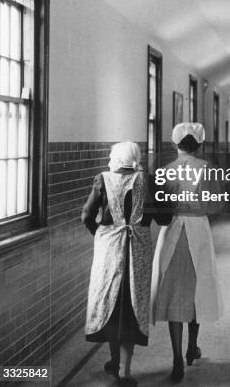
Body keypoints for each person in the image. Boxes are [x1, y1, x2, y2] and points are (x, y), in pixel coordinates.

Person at [150, 123, 224, 383]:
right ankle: (192, 348)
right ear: (199, 145)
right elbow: (216, 205)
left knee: (174, 296)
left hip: (173, 232)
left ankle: (176, 358)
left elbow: (159, 206)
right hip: (198, 231)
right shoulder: (208, 170)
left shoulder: (165, 171)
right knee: (197, 291)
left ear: (175, 144)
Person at [82, 141, 153, 386]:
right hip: (138, 254)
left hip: (110, 253)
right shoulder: (148, 180)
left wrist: (103, 235)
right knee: (130, 306)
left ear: (115, 157)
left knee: (110, 304)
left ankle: (113, 361)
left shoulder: (103, 179)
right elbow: (159, 215)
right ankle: (125, 369)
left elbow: (86, 215)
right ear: (136, 157)